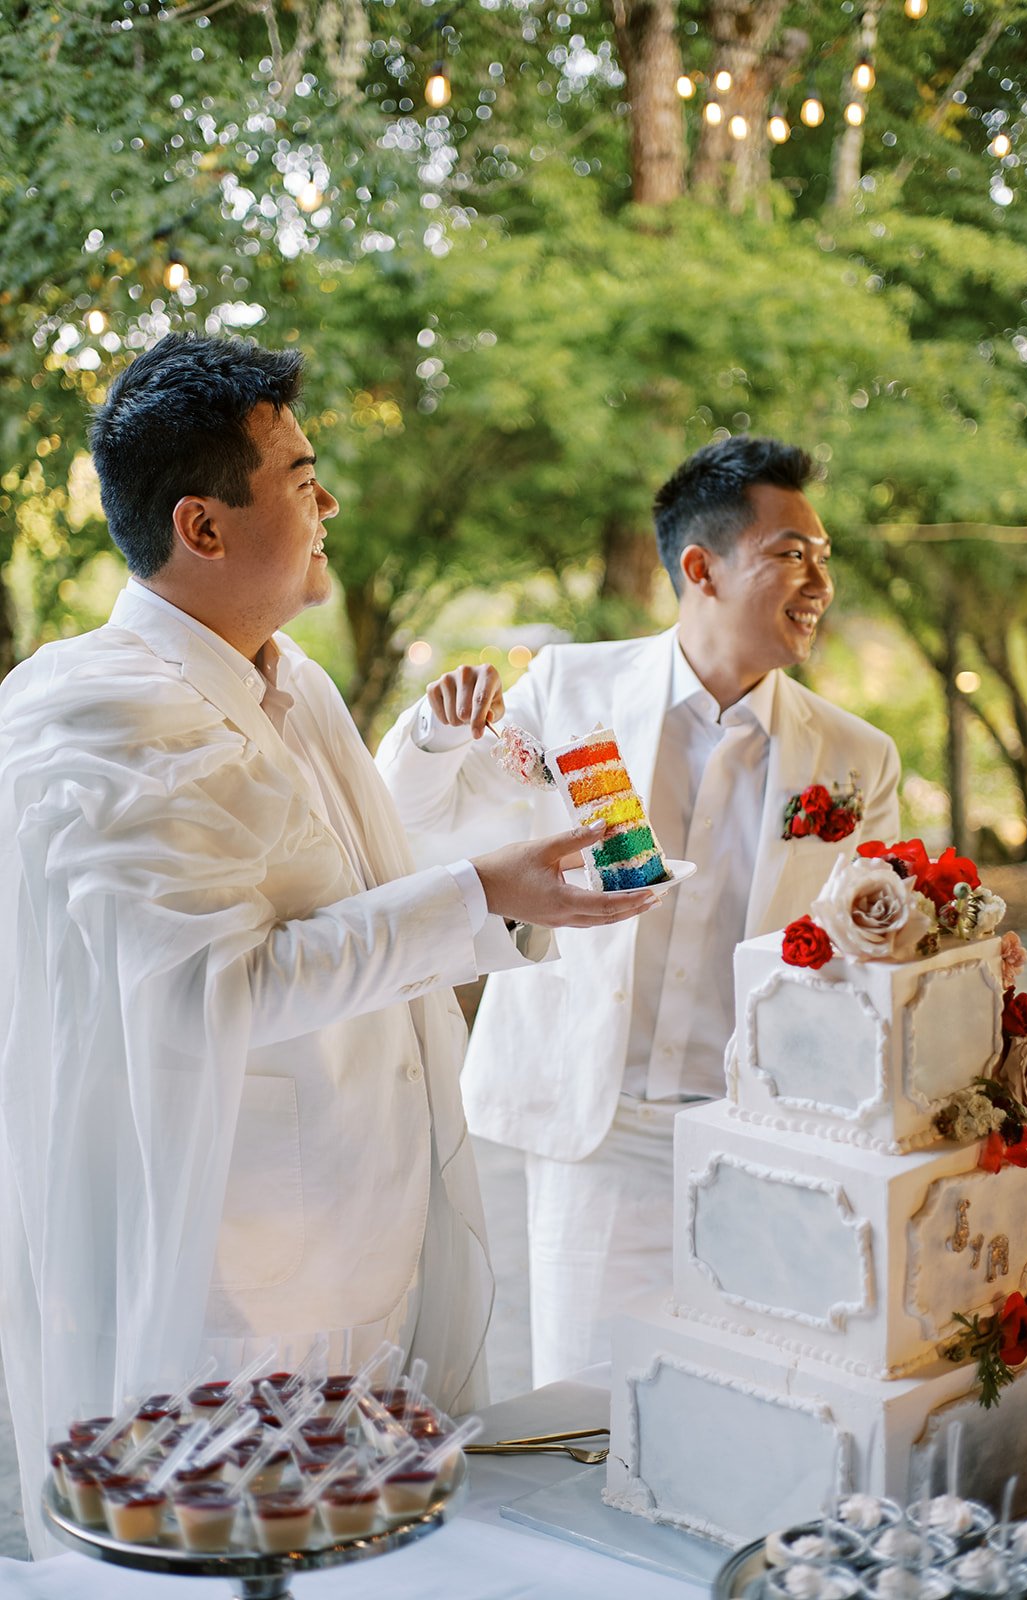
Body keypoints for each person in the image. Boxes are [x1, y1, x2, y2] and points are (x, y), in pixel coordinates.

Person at [0, 333, 658, 1555]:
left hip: (368, 1250)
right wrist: (475, 895)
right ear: (202, 526)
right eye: (302, 477)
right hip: (233, 1285)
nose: (329, 503)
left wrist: (506, 869)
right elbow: (215, 988)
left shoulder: (290, 678)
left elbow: (354, 880)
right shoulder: (86, 711)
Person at [377, 435, 902, 1386]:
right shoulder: (565, 691)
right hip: (600, 1124)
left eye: (823, 557)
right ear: (699, 568)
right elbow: (418, 823)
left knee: (754, 1395)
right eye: (790, 554)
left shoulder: (855, 759)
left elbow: (878, 947)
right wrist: (432, 735)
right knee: (586, 1405)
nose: (818, 580)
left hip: (766, 1133)